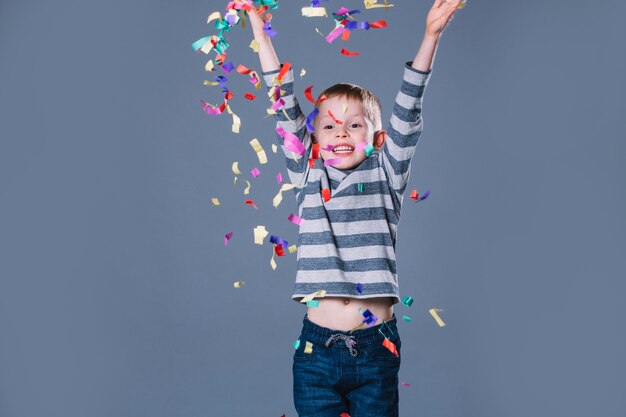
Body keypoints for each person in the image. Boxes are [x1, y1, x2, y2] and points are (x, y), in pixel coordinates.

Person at [247, 1, 461, 415]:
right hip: (315, 353)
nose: (341, 131)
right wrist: (258, 31)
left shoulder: (386, 174)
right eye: (328, 125)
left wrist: (430, 35)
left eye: (355, 124)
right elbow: (281, 103)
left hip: (375, 350)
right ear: (312, 141)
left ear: (378, 139)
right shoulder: (308, 176)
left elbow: (407, 111)